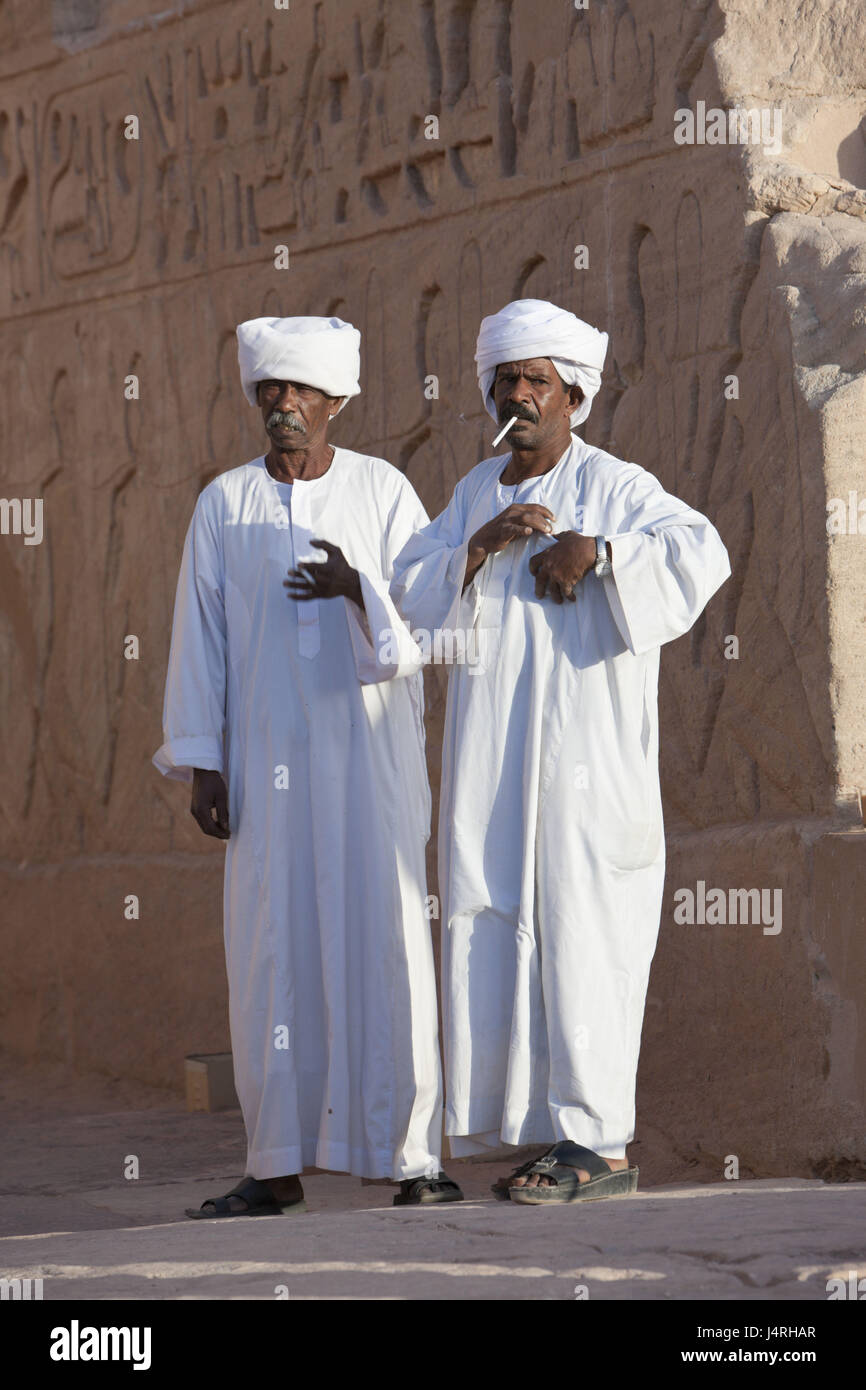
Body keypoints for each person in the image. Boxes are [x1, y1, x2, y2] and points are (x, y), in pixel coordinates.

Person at [391, 298, 731, 1204]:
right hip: (493, 768)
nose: (519, 395)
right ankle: (542, 1131)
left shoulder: (617, 483)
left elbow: (703, 550)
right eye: (506, 380)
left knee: (587, 932)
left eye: (537, 381)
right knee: (493, 919)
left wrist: (602, 551)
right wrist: (479, 544)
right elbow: (408, 586)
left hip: (589, 768)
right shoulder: (473, 490)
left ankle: (601, 1144)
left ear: (573, 396)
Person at [153, 314, 463, 1216]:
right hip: (266, 763)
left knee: (391, 940)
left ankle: (412, 1158)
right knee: (270, 950)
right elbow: (197, 639)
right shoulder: (223, 504)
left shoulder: (383, 491)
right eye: (270, 392)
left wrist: (354, 590)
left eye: (302, 393)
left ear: (337, 401)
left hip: (369, 759)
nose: (285, 407)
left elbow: (422, 624)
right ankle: (274, 1162)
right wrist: (204, 763)